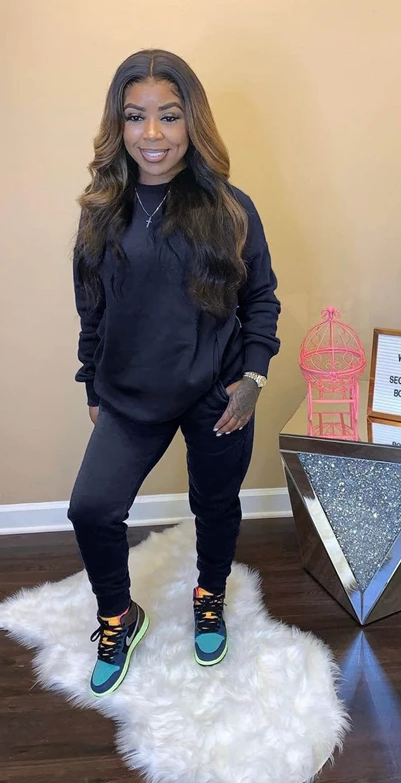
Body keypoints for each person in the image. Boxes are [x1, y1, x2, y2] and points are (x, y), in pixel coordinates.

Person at [68, 49, 280, 697]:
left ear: (193, 121)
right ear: (119, 124)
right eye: (136, 117)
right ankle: (119, 616)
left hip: (217, 392)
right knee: (91, 510)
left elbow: (261, 299)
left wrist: (252, 379)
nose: (152, 134)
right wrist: (91, 381)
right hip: (130, 393)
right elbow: (91, 306)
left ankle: (209, 594)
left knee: (214, 504)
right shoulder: (102, 209)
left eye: (169, 115)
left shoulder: (231, 208)